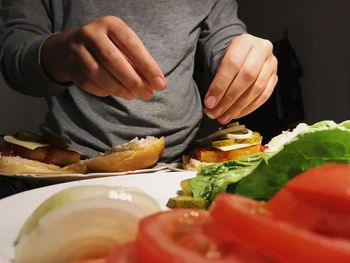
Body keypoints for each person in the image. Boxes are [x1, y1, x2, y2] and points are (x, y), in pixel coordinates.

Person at [0, 0, 277, 163]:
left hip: (183, 161)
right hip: (75, 162)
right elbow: (13, 55)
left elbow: (225, 36)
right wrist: (62, 53)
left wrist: (245, 59)